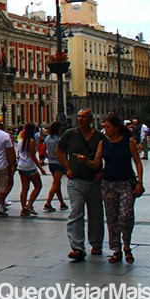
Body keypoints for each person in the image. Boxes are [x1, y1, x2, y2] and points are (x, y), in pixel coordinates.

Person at [76, 115, 144, 263]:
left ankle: (126, 245)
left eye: (107, 127)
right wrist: (85, 160)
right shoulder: (103, 143)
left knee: (126, 216)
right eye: (104, 127)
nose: (105, 130)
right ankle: (117, 249)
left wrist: (139, 182)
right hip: (108, 184)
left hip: (126, 182)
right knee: (112, 218)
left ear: (116, 128)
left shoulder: (129, 142)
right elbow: (96, 164)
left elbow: (138, 162)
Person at [56, 108, 104, 261]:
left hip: (94, 180)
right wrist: (67, 168)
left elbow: (109, 156)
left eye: (84, 117)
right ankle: (77, 247)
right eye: (79, 116)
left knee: (96, 213)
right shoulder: (70, 134)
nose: (80, 119)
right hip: (75, 179)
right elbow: (59, 151)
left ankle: (96, 244)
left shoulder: (100, 137)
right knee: (76, 212)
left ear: (91, 119)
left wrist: (103, 172)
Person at [17, 122, 47, 217]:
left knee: (24, 188)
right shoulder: (31, 141)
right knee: (38, 186)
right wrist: (41, 168)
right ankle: (29, 204)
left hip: (21, 166)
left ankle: (23, 209)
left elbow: (18, 155)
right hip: (30, 167)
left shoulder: (20, 141)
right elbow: (33, 156)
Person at [42, 121, 69, 212]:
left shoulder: (47, 139)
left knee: (57, 183)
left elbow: (44, 150)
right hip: (58, 163)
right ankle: (48, 203)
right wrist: (66, 164)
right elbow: (62, 152)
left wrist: (49, 156)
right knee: (55, 184)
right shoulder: (59, 139)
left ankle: (62, 203)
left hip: (51, 163)